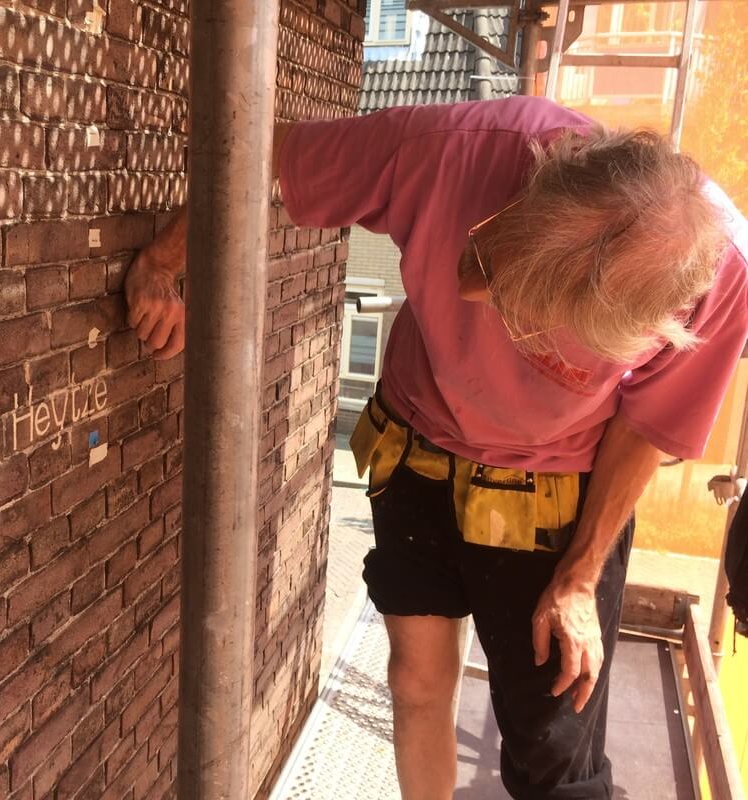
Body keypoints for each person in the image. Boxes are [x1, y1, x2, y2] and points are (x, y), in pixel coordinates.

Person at [122, 95, 748, 799]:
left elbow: (645, 425)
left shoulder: (717, 278)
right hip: (415, 444)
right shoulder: (456, 148)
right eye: (496, 269)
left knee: (553, 750)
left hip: (555, 493)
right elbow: (255, 148)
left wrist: (577, 579)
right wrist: (159, 263)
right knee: (414, 682)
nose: (479, 302)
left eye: (528, 320)